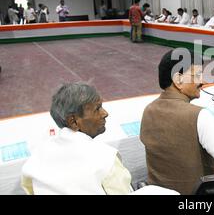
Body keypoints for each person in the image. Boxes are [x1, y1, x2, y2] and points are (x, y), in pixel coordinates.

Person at [21, 83, 178, 195]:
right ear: (74, 121)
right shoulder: (105, 158)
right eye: (97, 109)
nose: (105, 113)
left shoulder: (37, 157)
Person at [140, 50, 214, 195]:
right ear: (178, 80)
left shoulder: (148, 110)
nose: (202, 81)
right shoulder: (199, 116)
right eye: (197, 75)